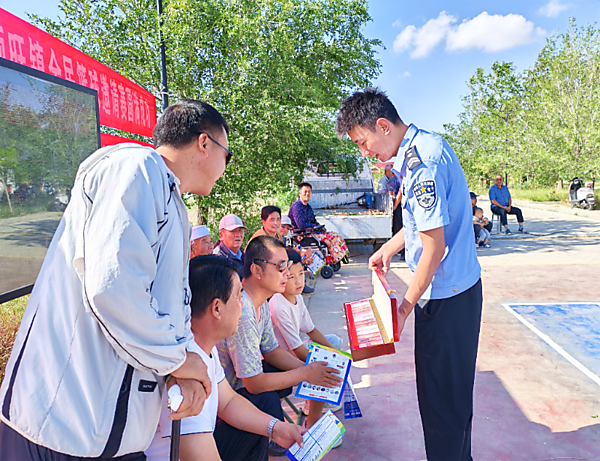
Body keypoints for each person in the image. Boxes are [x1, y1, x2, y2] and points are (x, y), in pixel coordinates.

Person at [0, 99, 234, 460]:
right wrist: (177, 360)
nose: (224, 169)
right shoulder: (137, 168)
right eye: (227, 156)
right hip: (63, 425)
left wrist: (181, 364)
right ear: (204, 142)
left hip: (110, 433)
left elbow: (168, 308)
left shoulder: (171, 200)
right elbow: (113, 288)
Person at [336, 88, 482, 461]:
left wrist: (402, 309)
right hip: (453, 292)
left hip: (446, 299)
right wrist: (390, 247)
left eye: (363, 142)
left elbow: (433, 248)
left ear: (383, 126)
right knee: (451, 402)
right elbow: (424, 222)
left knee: (441, 408)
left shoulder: (421, 166)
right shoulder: (424, 148)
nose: (364, 152)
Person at [145, 256, 304, 461]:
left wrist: (276, 428)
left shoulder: (200, 351)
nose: (242, 305)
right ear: (217, 308)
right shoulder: (187, 376)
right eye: (238, 297)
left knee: (262, 414)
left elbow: (228, 402)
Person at [216, 236, 342, 456]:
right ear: (257, 270)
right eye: (281, 266)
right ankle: (271, 436)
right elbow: (254, 384)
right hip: (228, 397)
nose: (287, 273)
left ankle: (303, 425)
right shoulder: (243, 312)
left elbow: (272, 351)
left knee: (297, 373)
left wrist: (311, 369)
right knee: (268, 399)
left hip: (243, 384)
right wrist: (305, 373)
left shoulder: (261, 303)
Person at [269, 249, 343, 358]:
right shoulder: (278, 307)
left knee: (334, 341)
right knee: (328, 361)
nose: (299, 281)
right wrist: (331, 359)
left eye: (301, 274)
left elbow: (311, 330)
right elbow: (298, 351)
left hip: (297, 348)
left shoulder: (297, 297)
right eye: (291, 277)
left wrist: (336, 353)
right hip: (286, 357)